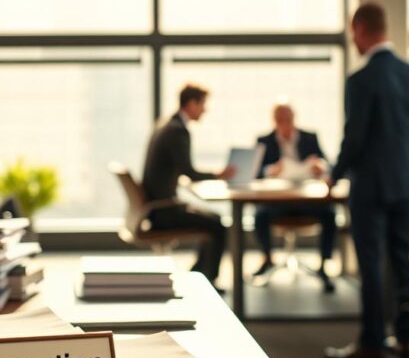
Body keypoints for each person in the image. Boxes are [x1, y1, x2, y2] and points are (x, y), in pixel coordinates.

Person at [324, 2, 409, 358]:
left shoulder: (360, 79)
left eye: (353, 32)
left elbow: (354, 140)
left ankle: (371, 343)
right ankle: (405, 336)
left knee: (369, 262)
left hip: (370, 184)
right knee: (402, 258)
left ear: (361, 28)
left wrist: (334, 175)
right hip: (406, 180)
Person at [142, 84, 236, 288]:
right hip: (164, 211)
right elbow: (189, 172)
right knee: (217, 225)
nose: (205, 110)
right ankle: (207, 280)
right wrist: (219, 174)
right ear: (192, 103)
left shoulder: (165, 125)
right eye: (203, 104)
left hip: (156, 207)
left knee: (213, 219)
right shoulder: (177, 131)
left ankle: (199, 274)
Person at [251, 102, 336, 292]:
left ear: (294, 118)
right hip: (277, 201)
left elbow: (326, 164)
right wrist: (270, 171)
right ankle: (267, 258)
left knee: (329, 214)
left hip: (306, 199)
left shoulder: (309, 138)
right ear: (274, 121)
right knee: (260, 215)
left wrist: (320, 167)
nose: (284, 123)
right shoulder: (264, 140)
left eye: (287, 119)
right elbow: (254, 173)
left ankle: (324, 265)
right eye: (280, 120)